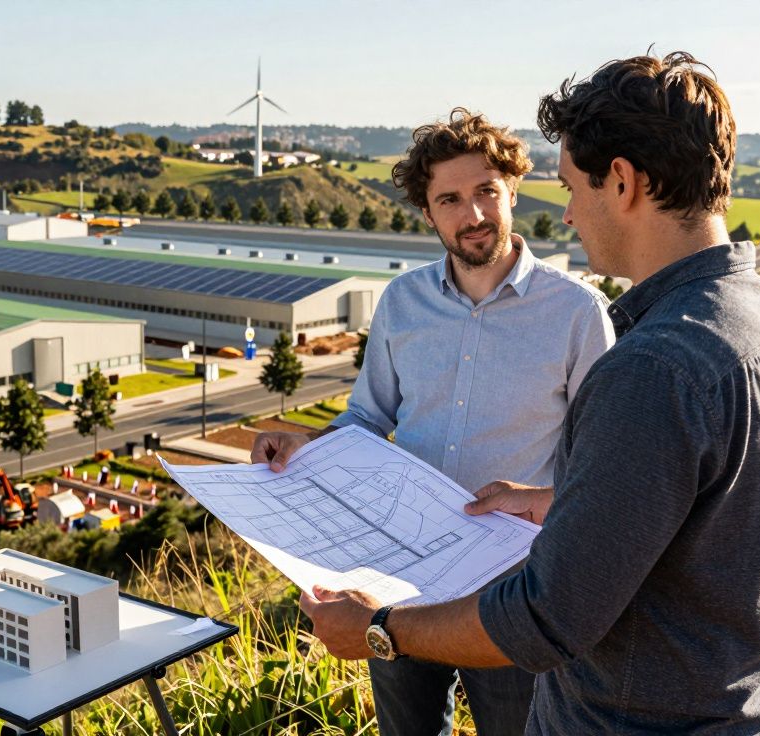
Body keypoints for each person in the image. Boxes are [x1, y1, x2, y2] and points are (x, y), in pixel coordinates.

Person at [297, 51, 760, 735]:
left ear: (623, 182)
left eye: (572, 187)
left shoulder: (652, 368)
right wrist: (551, 502)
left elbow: (546, 616)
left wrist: (377, 630)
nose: (567, 214)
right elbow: (663, 507)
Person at [252, 108, 614, 736]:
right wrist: (303, 446)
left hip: (512, 590)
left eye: (485, 192)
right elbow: (368, 418)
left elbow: (604, 464)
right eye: (450, 199)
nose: (472, 215)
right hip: (395, 578)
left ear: (513, 191)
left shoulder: (578, 312)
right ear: (427, 211)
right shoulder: (402, 302)